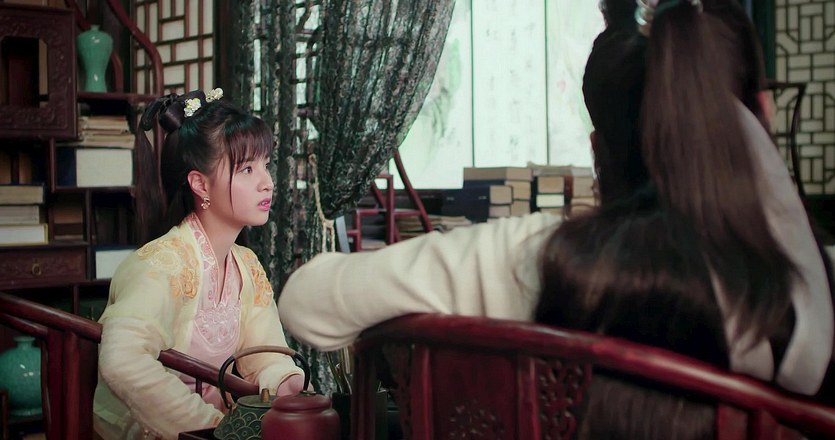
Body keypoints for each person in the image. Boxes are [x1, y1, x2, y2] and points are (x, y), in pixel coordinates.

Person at [278, 0, 834, 432]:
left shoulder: (537, 255)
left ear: (597, 151)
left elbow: (305, 302)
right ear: (762, 114)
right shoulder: (811, 289)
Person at [93, 89, 304, 440]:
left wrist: (290, 387)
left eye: (265, 165)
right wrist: (214, 426)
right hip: (157, 429)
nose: (267, 182)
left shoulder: (246, 264)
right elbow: (123, 361)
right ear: (200, 184)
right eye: (247, 169)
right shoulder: (161, 264)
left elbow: (265, 357)